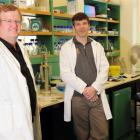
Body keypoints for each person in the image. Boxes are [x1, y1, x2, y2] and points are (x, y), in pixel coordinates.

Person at [60, 12, 112, 140]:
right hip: (78, 98)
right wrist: (84, 89)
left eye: (84, 23)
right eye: (78, 24)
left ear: (89, 25)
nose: (81, 27)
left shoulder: (97, 46)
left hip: (96, 96)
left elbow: (105, 69)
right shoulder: (66, 48)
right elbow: (65, 74)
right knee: (81, 135)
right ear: (74, 27)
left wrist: (93, 88)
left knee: (101, 133)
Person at [0, 4, 41, 140]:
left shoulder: (21, 49)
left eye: (17, 21)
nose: (14, 25)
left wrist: (33, 103)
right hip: (8, 127)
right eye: (9, 21)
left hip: (27, 117)